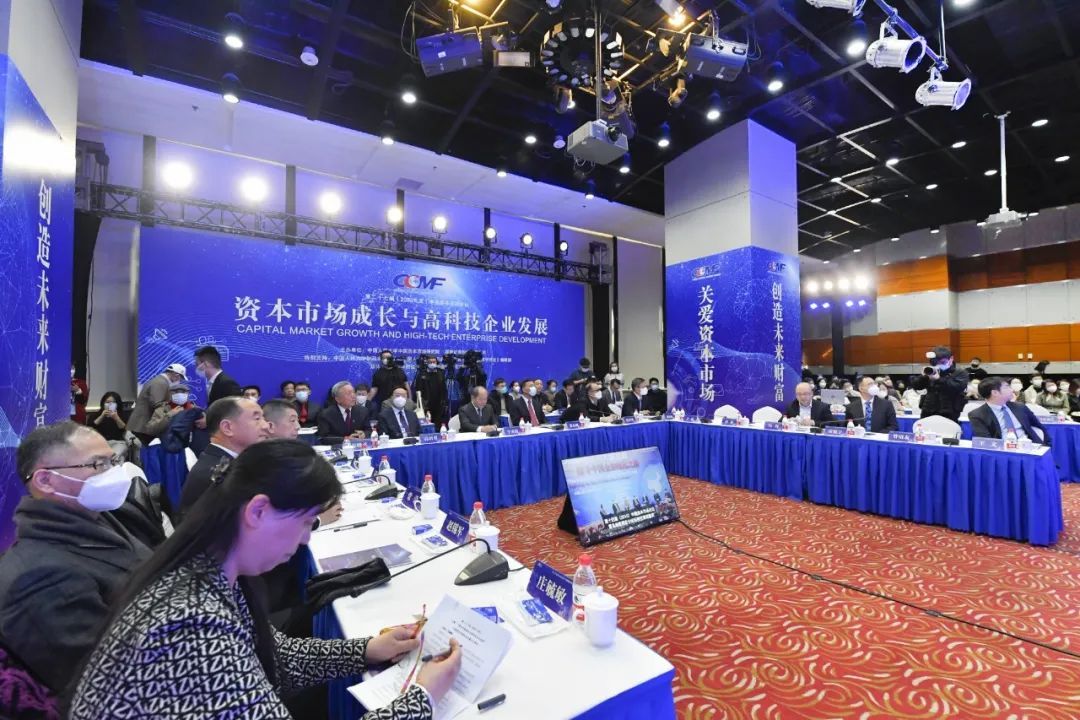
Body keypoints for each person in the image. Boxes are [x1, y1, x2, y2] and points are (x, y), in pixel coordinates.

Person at [69, 440, 461, 719]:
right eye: (305, 522)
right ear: (258, 511)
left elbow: (274, 657)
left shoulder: (210, 571)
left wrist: (367, 650)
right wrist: (421, 698)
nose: (306, 538)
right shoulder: (189, 623)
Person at [0, 422, 152, 692]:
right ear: (45, 480)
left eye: (113, 461)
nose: (113, 473)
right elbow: (106, 680)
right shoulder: (37, 579)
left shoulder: (106, 518)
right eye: (98, 464)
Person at [178, 397, 268, 518]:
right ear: (227, 428)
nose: (265, 426)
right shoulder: (216, 475)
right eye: (257, 419)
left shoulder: (230, 464)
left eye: (263, 418)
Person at [263, 400, 343, 528]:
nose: (298, 426)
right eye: (292, 421)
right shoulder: (262, 461)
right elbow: (271, 519)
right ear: (271, 426)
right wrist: (317, 520)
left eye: (297, 420)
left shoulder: (289, 451)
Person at [969, 377, 1050, 445]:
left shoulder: (1020, 407)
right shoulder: (977, 415)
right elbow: (987, 442)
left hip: (1029, 448)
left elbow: (1041, 427)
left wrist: (1046, 446)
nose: (1012, 389)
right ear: (995, 392)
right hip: (1002, 452)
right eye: (1007, 387)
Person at [127, 362, 188, 442]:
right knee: (142, 448)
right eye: (180, 378)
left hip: (144, 425)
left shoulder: (160, 381)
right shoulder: (160, 383)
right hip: (142, 426)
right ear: (176, 375)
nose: (179, 380)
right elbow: (158, 404)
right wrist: (173, 411)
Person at [911, 346, 968, 422]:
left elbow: (957, 387)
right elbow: (917, 386)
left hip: (949, 412)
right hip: (928, 410)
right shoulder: (931, 371)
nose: (939, 364)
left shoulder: (960, 372)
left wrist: (939, 379)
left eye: (943, 362)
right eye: (936, 362)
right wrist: (924, 377)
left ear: (951, 359)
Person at [90, 391, 130, 457]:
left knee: (115, 455)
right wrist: (102, 416)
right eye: (107, 402)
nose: (110, 405)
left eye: (113, 402)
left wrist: (116, 418)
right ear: (103, 403)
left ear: (117, 404)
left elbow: (124, 429)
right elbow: (91, 427)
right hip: (100, 443)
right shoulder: (96, 415)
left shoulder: (122, 415)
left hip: (118, 442)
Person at [412, 355, 447, 426]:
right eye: (430, 362)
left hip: (438, 403)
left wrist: (444, 400)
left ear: (437, 362)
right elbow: (418, 389)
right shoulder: (422, 374)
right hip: (425, 403)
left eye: (434, 362)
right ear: (427, 363)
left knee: (438, 423)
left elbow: (444, 388)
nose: (432, 364)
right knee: (426, 423)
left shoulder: (441, 373)